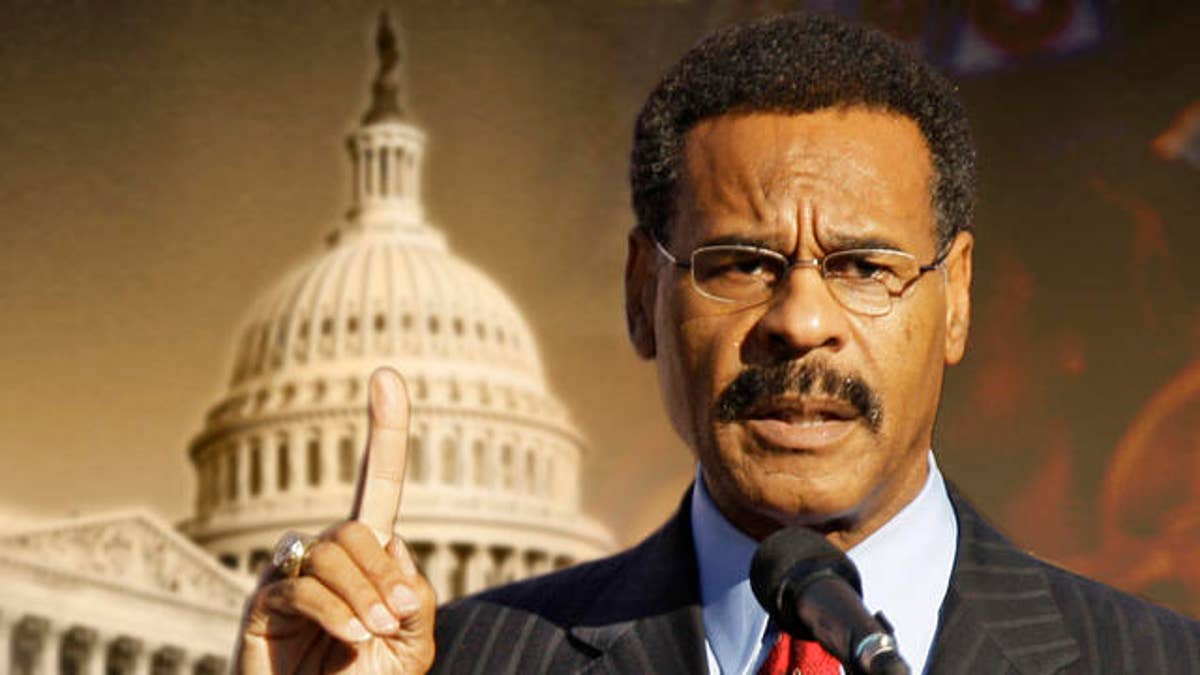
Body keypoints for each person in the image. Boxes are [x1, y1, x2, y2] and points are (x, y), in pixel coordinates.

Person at [235, 12, 1200, 674]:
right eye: (739, 263)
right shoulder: (470, 660)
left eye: (865, 266)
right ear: (640, 295)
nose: (802, 319)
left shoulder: (1157, 662)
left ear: (956, 301)